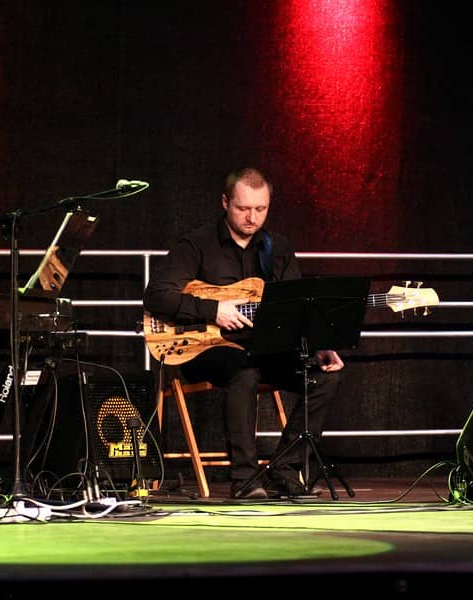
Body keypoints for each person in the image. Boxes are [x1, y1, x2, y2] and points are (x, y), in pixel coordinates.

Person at [143, 167, 344, 499]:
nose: (252, 217)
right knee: (244, 370)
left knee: (325, 375)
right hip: (205, 348)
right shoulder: (197, 244)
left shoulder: (278, 248)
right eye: (243, 208)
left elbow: (295, 307)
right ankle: (245, 479)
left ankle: (284, 468)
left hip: (263, 348)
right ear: (225, 202)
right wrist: (214, 310)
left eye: (261, 209)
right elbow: (156, 296)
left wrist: (317, 344)